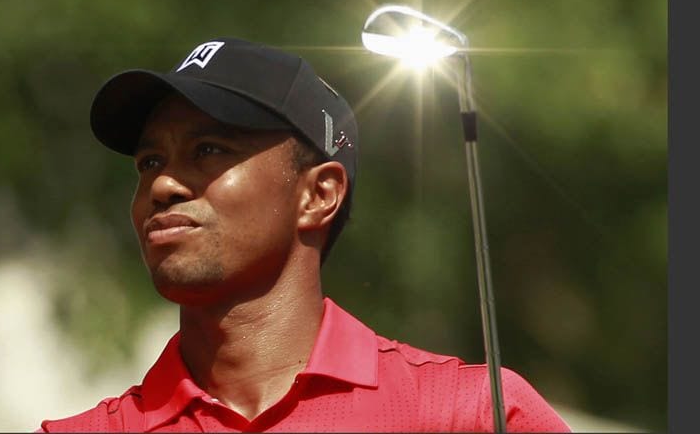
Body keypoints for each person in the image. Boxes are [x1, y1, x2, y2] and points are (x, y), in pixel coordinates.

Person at [38, 38, 571, 433]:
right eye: (150, 161)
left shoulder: (472, 415)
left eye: (208, 150)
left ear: (318, 196)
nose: (164, 184)